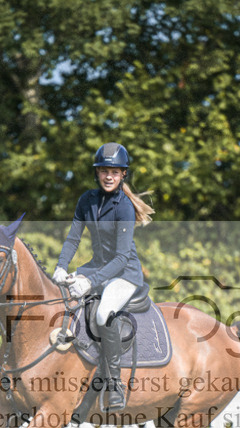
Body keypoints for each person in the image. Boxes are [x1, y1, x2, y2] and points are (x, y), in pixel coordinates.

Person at [53, 142, 154, 411]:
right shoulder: (86, 200)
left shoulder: (124, 208)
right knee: (59, 294)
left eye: (115, 172)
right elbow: (73, 238)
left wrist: (89, 281)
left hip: (125, 274)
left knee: (103, 314)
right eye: (104, 171)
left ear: (123, 176)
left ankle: (114, 385)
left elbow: (121, 259)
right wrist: (61, 267)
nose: (109, 176)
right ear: (97, 174)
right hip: (97, 267)